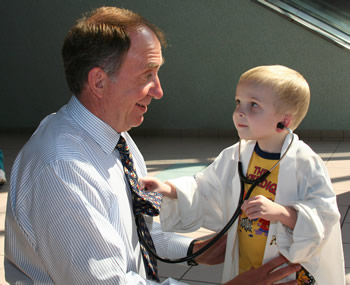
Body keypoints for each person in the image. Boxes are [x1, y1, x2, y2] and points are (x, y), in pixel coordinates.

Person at [4, 7, 300, 284]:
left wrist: (196, 249)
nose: (158, 91)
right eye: (148, 74)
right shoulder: (62, 168)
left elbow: (138, 233)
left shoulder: (115, 139)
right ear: (98, 82)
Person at [141, 65, 345, 284]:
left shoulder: (305, 162)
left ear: (283, 122)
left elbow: (324, 215)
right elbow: (205, 187)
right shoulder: (237, 155)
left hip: (286, 268)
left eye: (254, 105)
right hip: (247, 264)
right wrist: (169, 189)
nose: (240, 111)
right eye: (238, 102)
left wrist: (283, 213)